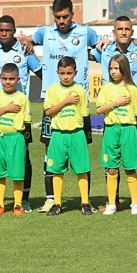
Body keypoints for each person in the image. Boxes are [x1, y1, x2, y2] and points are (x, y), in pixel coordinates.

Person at [19, 0, 103, 213]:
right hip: (52, 97)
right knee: (50, 149)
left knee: (81, 150)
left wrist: (105, 43)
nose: (61, 21)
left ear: (72, 14)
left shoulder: (85, 32)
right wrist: (26, 40)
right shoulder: (45, 33)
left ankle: (86, 200)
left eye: (65, 16)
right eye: (57, 17)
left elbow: (101, 44)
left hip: (78, 99)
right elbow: (27, 39)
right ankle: (51, 198)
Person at [91, 15, 137, 211]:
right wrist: (99, 42)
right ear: (113, 32)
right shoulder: (104, 51)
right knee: (112, 158)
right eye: (119, 29)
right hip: (113, 119)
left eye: (127, 29)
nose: (123, 32)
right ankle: (114, 200)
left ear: (132, 32)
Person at [0, 15, 41, 213]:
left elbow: (41, 73)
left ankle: (24, 200)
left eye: (8, 30)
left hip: (19, 113)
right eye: (1, 30)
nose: (4, 33)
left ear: (14, 30)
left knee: (24, 157)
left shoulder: (25, 49)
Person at [43, 57, 92, 216]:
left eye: (69, 73)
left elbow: (84, 115)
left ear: (75, 73)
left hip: (76, 134)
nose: (65, 76)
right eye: (62, 73)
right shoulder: (52, 90)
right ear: (57, 73)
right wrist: (66, 101)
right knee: (57, 170)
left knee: (81, 169)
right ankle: (57, 203)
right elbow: (48, 112)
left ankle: (85, 202)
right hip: (58, 134)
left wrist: (84, 136)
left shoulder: (80, 90)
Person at [96, 54, 137, 216]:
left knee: (130, 168)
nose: (113, 72)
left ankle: (135, 203)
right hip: (111, 130)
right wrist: (116, 103)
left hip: (128, 130)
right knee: (112, 169)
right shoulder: (107, 88)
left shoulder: (133, 90)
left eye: (116, 68)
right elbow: (99, 109)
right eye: (111, 68)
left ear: (124, 68)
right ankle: (111, 204)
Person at [0, 63, 32, 216]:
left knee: (17, 173)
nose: (8, 81)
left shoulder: (22, 98)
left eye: (11, 79)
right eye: (4, 78)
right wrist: (6, 109)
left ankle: (18, 205)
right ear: (0, 79)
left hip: (16, 138)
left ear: (18, 80)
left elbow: (27, 122)